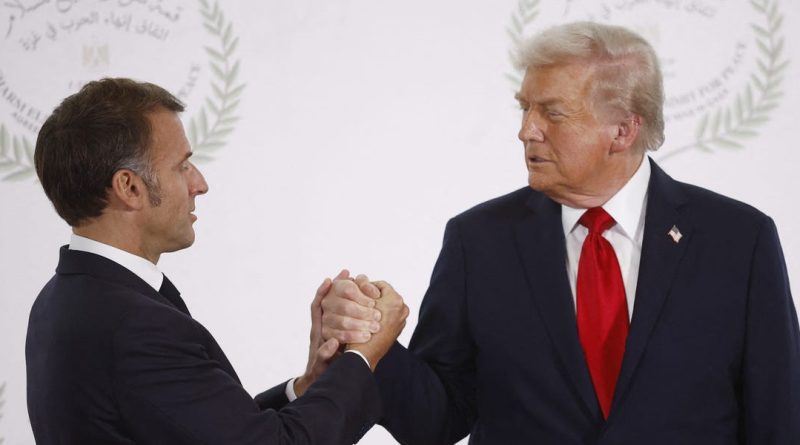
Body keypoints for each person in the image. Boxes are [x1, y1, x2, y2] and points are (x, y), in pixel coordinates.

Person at [320, 22, 800, 443]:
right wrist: (372, 343)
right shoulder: (478, 241)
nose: (527, 130)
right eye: (525, 108)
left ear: (623, 130)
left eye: (552, 112)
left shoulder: (739, 241)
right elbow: (435, 421)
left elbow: (779, 419)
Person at [26, 78, 409, 445]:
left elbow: (215, 432)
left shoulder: (60, 300)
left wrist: (308, 387)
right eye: (182, 166)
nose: (200, 184)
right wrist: (364, 356)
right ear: (130, 187)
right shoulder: (135, 326)